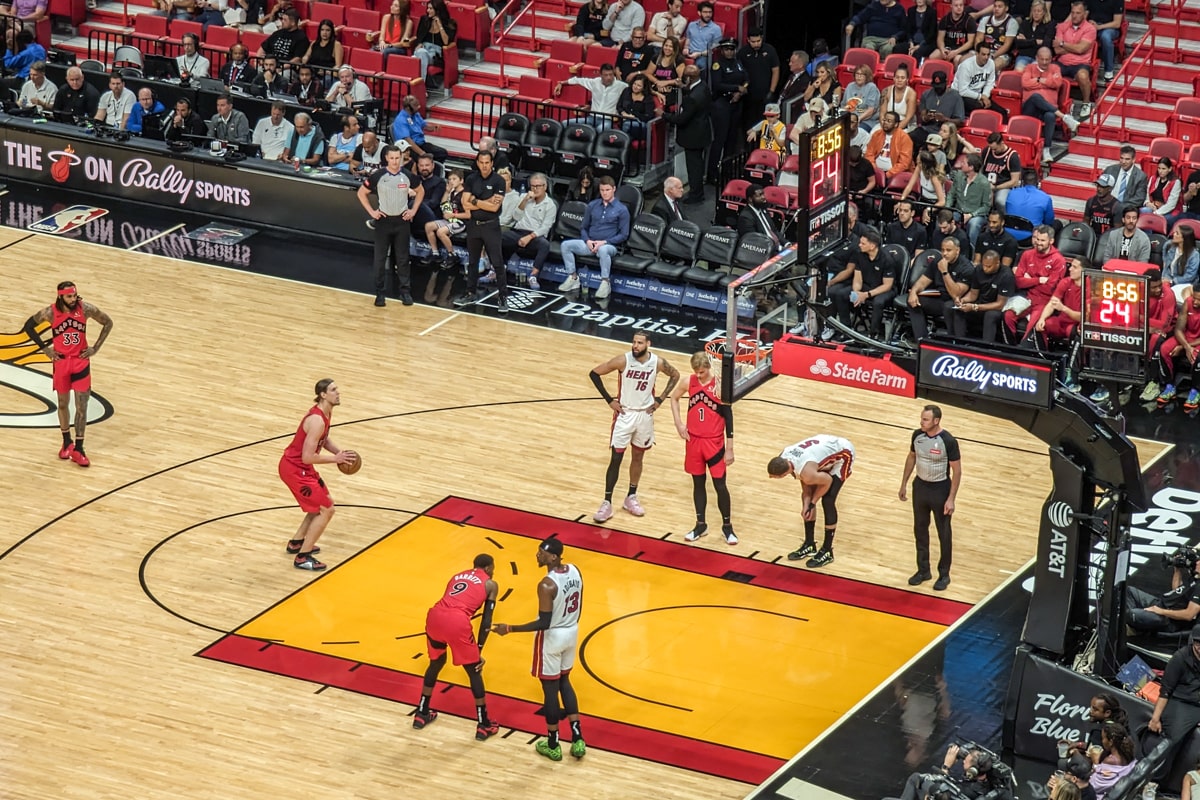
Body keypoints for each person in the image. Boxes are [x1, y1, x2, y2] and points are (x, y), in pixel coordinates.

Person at [491, 536, 587, 762]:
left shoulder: (546, 584)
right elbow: (579, 603)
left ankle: (553, 743)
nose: (537, 555)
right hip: (572, 631)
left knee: (550, 689)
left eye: (541, 553)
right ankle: (577, 737)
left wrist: (510, 628)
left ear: (553, 557)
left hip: (552, 636)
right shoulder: (575, 570)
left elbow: (543, 622)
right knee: (565, 681)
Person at [588, 333, 680, 523]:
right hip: (624, 414)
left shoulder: (657, 362)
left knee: (638, 456)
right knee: (616, 458)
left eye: (639, 343)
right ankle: (606, 502)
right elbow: (594, 373)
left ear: (648, 344)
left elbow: (675, 374)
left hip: (644, 416)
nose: (635, 346)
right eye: (634, 342)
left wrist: (661, 399)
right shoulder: (623, 360)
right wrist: (609, 400)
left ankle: (631, 496)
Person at [21, 281, 114, 468]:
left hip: (80, 362)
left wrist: (96, 348)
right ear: (61, 296)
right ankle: (66, 442)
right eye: (69, 296)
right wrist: (45, 350)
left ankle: (79, 449)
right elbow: (29, 327)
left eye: (74, 295)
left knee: (82, 404)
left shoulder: (85, 308)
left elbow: (107, 322)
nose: (73, 299)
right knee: (62, 404)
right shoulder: (50, 312)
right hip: (61, 362)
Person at [413, 554, 501, 740]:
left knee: (436, 662)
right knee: (474, 670)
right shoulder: (490, 584)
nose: (493, 572)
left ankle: (421, 712)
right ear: (487, 568)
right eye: (492, 568)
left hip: (435, 616)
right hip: (456, 620)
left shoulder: (457, 575)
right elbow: (487, 620)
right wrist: (479, 649)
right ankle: (483, 724)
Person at [277, 378, 357, 570]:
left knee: (321, 505)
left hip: (302, 468)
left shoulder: (325, 414)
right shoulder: (317, 420)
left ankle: (296, 543)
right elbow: (307, 456)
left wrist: (338, 452)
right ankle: (303, 557)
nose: (338, 392)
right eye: (333, 390)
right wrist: (335, 460)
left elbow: (324, 439)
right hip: (295, 469)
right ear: (323, 395)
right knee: (327, 509)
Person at [670, 351, 736, 545]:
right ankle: (701, 525)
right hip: (693, 441)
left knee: (720, 485)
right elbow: (673, 399)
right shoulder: (687, 381)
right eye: (696, 372)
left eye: (702, 372)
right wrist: (679, 424)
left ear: (709, 368)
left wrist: (730, 448)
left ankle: (727, 527)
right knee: (698, 484)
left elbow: (729, 418)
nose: (698, 376)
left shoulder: (719, 385)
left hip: (714, 443)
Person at [767, 435, 856, 568]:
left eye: (774, 477)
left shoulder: (806, 471)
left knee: (828, 500)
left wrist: (813, 502)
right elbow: (806, 486)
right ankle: (809, 544)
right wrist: (807, 504)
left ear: (783, 474)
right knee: (808, 497)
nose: (770, 477)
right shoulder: (784, 456)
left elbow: (827, 481)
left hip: (843, 453)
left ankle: (827, 551)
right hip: (819, 451)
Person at [899, 405, 961, 591]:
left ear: (936, 421)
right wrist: (904, 483)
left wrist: (951, 499)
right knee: (919, 529)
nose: (921, 422)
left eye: (925, 420)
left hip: (940, 489)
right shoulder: (917, 435)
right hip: (920, 487)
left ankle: (944, 574)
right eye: (921, 419)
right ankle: (923, 570)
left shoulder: (948, 440)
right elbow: (911, 457)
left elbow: (957, 471)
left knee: (944, 532)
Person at [359, 144, 420, 307]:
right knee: (379, 259)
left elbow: (421, 191)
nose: (394, 161)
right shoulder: (378, 175)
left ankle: (405, 292)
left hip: (402, 221)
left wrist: (413, 210)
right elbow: (361, 193)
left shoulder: (407, 175)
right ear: (386, 158)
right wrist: (372, 212)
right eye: (391, 158)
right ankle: (380, 293)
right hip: (383, 222)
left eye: (397, 158)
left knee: (403, 259)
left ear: (401, 158)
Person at [559, 175, 630, 300]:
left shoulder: (622, 210)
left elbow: (624, 235)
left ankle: (605, 283)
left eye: (607, 190)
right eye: (602, 190)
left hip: (609, 246)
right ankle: (573, 278)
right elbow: (583, 227)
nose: (604, 193)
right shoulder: (592, 205)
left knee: (603, 250)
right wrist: (588, 241)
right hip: (590, 243)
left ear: (614, 189)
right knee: (565, 245)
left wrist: (603, 242)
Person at [454, 150, 508, 311]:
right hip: (474, 225)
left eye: (487, 163)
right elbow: (465, 204)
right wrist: (486, 201)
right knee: (472, 262)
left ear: (492, 163)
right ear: (477, 163)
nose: (484, 166)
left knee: (497, 263)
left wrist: (475, 200)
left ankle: (503, 297)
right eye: (481, 162)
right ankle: (470, 292)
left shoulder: (499, 181)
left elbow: (494, 207)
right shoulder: (471, 179)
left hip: (491, 226)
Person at [1022, 46, 1080, 163]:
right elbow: (1025, 83)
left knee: (1050, 115)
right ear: (1037, 58)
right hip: (1030, 109)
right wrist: (1043, 80)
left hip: (1047, 109)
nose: (1044, 62)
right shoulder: (1029, 67)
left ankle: (1047, 149)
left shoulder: (1055, 68)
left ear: (1051, 59)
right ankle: (1064, 117)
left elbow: (1057, 83)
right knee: (1035, 97)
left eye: (1047, 59)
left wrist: (1037, 81)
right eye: (1042, 59)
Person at [500, 172, 556, 290]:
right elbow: (515, 217)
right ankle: (498, 269)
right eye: (533, 186)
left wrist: (529, 237)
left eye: (538, 186)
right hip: (519, 231)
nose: (535, 189)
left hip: (535, 236)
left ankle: (533, 276)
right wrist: (525, 200)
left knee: (544, 245)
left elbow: (545, 227)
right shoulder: (523, 197)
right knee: (497, 237)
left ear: (545, 187)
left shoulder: (550, 205)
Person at [1054, 0, 1096, 118]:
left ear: (1084, 14)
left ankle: (1086, 103)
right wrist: (1075, 47)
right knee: (1050, 72)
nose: (1075, 15)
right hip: (1062, 62)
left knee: (1083, 76)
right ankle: (1055, 104)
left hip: (1080, 63)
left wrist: (1063, 43)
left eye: (1078, 13)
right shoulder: (1062, 26)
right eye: (1073, 12)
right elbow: (1057, 50)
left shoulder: (1090, 29)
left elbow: (1081, 49)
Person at [1006, 168, 1056, 242]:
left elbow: (1008, 212)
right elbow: (1048, 222)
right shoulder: (1045, 198)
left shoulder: (1011, 193)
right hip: (1030, 237)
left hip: (1009, 233)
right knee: (1057, 224)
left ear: (1022, 182)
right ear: (1038, 183)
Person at [1102, 144, 1149, 209]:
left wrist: (1119, 207)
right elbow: (1101, 189)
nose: (1123, 162)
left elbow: (1139, 198)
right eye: (1121, 158)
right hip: (1108, 205)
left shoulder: (1141, 176)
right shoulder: (1110, 170)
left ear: (1133, 160)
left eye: (1127, 159)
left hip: (1127, 209)